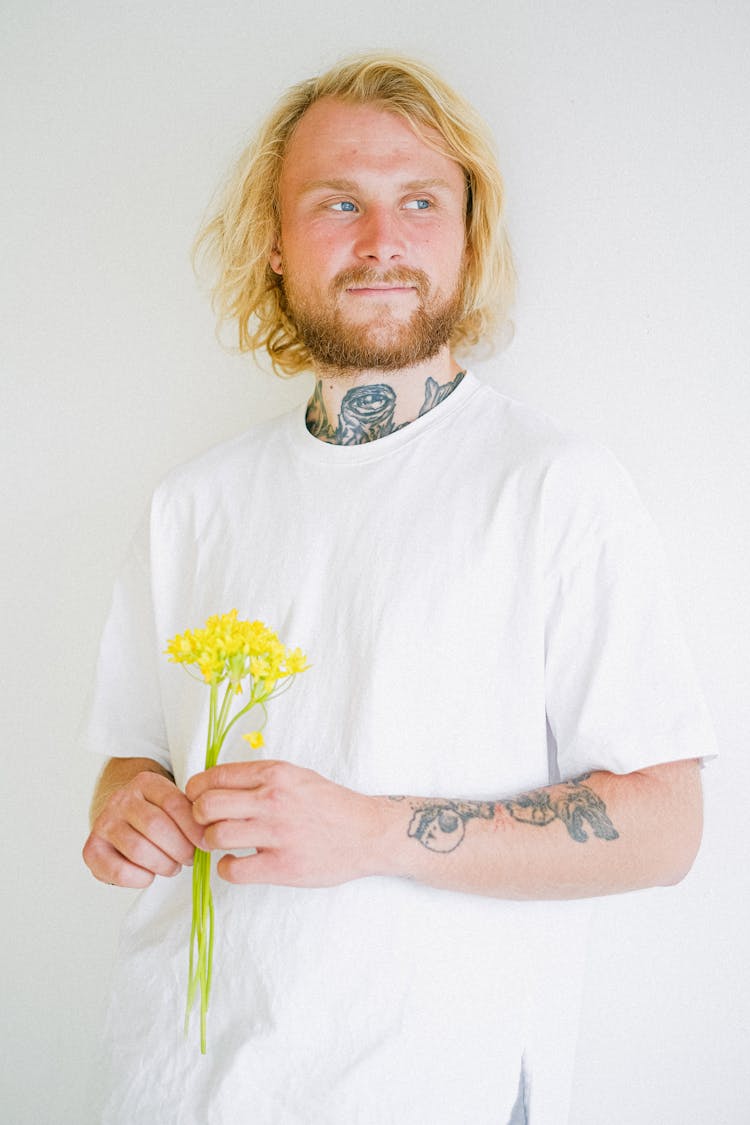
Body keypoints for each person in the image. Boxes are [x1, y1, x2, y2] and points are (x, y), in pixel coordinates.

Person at [82, 53, 716, 1125]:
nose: (381, 241)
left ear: (468, 241)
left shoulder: (554, 488)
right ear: (276, 243)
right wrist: (125, 808)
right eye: (338, 203)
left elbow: (665, 825)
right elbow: (131, 757)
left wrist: (371, 832)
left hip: (433, 1090)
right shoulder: (191, 505)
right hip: (176, 1087)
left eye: (421, 201)